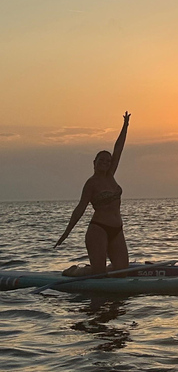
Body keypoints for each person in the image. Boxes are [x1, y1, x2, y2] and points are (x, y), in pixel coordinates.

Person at [55, 112, 131, 276]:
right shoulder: (91, 184)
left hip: (117, 229)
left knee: (122, 270)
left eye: (107, 161)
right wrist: (66, 233)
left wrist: (125, 126)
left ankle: (99, 270)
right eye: (101, 160)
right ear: (94, 163)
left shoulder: (111, 176)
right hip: (99, 229)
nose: (105, 163)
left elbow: (118, 148)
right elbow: (80, 209)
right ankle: (74, 272)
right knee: (99, 273)